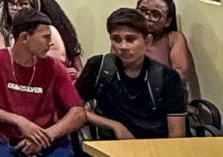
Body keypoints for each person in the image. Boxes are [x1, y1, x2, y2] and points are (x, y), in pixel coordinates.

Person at [0, 9, 86, 157]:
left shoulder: (55, 67)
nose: (50, 43)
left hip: (49, 141)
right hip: (7, 139)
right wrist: (19, 121)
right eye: (45, 37)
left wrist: (45, 136)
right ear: (25, 38)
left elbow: (78, 113)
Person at [76, 8, 186, 140]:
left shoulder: (167, 76)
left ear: (147, 41)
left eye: (130, 40)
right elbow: (73, 109)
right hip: (110, 146)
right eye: (116, 39)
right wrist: (115, 126)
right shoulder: (98, 66)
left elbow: (177, 134)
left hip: (155, 146)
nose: (123, 46)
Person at [0, 0, 72, 72]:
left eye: (22, 4)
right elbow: (0, 60)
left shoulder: (48, 29)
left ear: (33, 6)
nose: (15, 7)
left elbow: (59, 56)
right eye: (11, 2)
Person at [136, 0, 198, 100]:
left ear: (167, 21)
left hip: (163, 101)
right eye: (142, 11)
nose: (146, 17)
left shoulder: (174, 38)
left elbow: (181, 75)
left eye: (155, 15)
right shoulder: (126, 36)